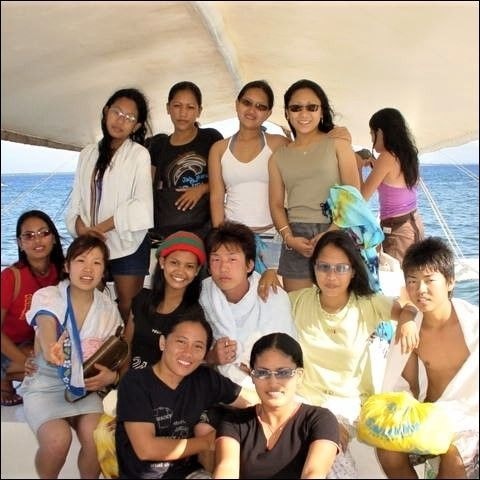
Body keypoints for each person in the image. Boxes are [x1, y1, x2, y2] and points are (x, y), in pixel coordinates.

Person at [288, 230, 419, 478]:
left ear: (353, 271)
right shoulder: (299, 301)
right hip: (303, 400)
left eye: (341, 268)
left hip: (346, 405)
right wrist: (269, 274)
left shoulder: (366, 303)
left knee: (328, 453)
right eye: (324, 267)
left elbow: (408, 305)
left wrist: (408, 320)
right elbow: (265, 303)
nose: (331, 276)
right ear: (313, 268)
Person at [17, 235, 123, 479]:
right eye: (81, 260)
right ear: (67, 266)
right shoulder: (49, 295)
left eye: (96, 263)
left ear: (104, 270)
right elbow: (46, 321)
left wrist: (110, 377)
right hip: (45, 384)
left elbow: (113, 353)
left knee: (96, 437)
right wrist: (50, 347)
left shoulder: (108, 309)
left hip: (83, 386)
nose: (88, 269)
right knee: (57, 440)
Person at [376, 237, 479, 479]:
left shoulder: (474, 324)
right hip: (431, 416)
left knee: (454, 456)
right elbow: (406, 388)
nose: (420, 289)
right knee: (387, 451)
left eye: (429, 280)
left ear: (450, 281)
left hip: (471, 418)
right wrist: (407, 317)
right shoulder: (411, 332)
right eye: (412, 281)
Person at [115, 307, 253, 479]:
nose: (188, 353)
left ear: (205, 353)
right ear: (163, 342)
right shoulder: (136, 383)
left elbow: (249, 401)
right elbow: (146, 449)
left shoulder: (204, 378)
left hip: (189, 474)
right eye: (181, 342)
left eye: (198, 346)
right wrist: (207, 442)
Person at [65, 87, 153, 323]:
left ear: (136, 126)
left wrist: (99, 229)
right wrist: (83, 231)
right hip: (91, 243)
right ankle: (94, 345)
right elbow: (76, 202)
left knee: (128, 307)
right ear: (106, 112)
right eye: (117, 112)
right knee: (89, 304)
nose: (120, 120)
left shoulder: (139, 154)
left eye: (129, 117)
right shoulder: (87, 154)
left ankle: (124, 347)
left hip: (128, 244)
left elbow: (142, 206)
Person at [268, 79, 361, 293]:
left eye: (312, 107)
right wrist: (289, 238)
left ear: (322, 111)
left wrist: (332, 231)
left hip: (337, 229)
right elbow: (276, 204)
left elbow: (353, 195)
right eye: (296, 108)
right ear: (287, 113)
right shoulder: (278, 157)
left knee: (337, 306)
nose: (304, 113)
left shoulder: (339, 145)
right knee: (298, 305)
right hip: (296, 236)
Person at [214, 332, 339, 479]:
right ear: (252, 376)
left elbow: (314, 473)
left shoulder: (320, 420)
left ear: (299, 376)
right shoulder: (234, 423)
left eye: (283, 373)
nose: (273, 383)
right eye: (262, 373)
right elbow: (226, 469)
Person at [199, 221, 296, 390]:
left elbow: (287, 353)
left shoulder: (272, 296)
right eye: (216, 259)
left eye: (232, 259)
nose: (223, 267)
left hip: (270, 386)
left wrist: (260, 369)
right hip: (218, 386)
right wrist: (212, 357)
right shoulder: (203, 294)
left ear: (249, 265)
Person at [208, 80, 289, 273]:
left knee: (272, 291)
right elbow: (216, 197)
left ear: (268, 113)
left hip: (273, 235)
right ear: (237, 104)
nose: (252, 110)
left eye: (261, 107)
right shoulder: (218, 149)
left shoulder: (279, 144)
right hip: (234, 240)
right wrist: (221, 240)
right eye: (247, 103)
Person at [1, 210, 64, 406]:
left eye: (43, 233)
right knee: (42, 367)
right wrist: (24, 361)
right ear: (20, 243)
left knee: (57, 363)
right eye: (29, 235)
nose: (37, 240)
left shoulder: (62, 273)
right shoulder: (11, 277)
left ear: (54, 238)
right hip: (6, 346)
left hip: (32, 343)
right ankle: (4, 379)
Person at [148, 81, 223, 244]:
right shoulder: (158, 145)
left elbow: (227, 178)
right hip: (166, 234)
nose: (183, 113)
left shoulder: (211, 138)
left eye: (190, 107)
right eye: (177, 106)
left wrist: (201, 189)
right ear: (168, 108)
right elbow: (147, 187)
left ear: (199, 111)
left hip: (203, 232)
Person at [125, 230, 206, 370]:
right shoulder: (141, 298)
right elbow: (126, 344)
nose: (180, 271)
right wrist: (120, 378)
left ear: (197, 271)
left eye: (189, 266)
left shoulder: (193, 316)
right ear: (162, 262)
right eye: (174, 262)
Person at [358, 107, 424, 262]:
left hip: (397, 230)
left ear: (380, 132)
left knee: (398, 275)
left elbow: (362, 196)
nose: (371, 138)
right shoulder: (408, 155)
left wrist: (358, 166)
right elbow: (393, 179)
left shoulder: (386, 157)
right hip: (413, 223)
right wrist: (375, 165)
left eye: (372, 133)